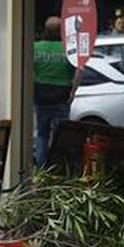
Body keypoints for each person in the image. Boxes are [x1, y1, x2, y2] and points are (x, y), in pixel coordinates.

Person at [33, 16, 78, 168]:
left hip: (41, 97)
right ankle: (58, 169)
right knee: (61, 136)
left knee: (42, 134)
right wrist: (73, 92)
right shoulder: (68, 49)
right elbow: (78, 71)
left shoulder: (35, 47)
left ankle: (40, 169)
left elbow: (29, 71)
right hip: (61, 96)